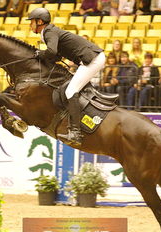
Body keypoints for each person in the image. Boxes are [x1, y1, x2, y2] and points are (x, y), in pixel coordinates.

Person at [28, 7, 105, 146]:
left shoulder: (49, 31)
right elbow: (56, 55)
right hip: (92, 58)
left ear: (40, 21)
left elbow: (51, 51)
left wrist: (40, 54)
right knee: (70, 88)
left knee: (71, 91)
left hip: (92, 59)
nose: (30, 25)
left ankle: (76, 132)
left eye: (32, 21)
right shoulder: (49, 32)